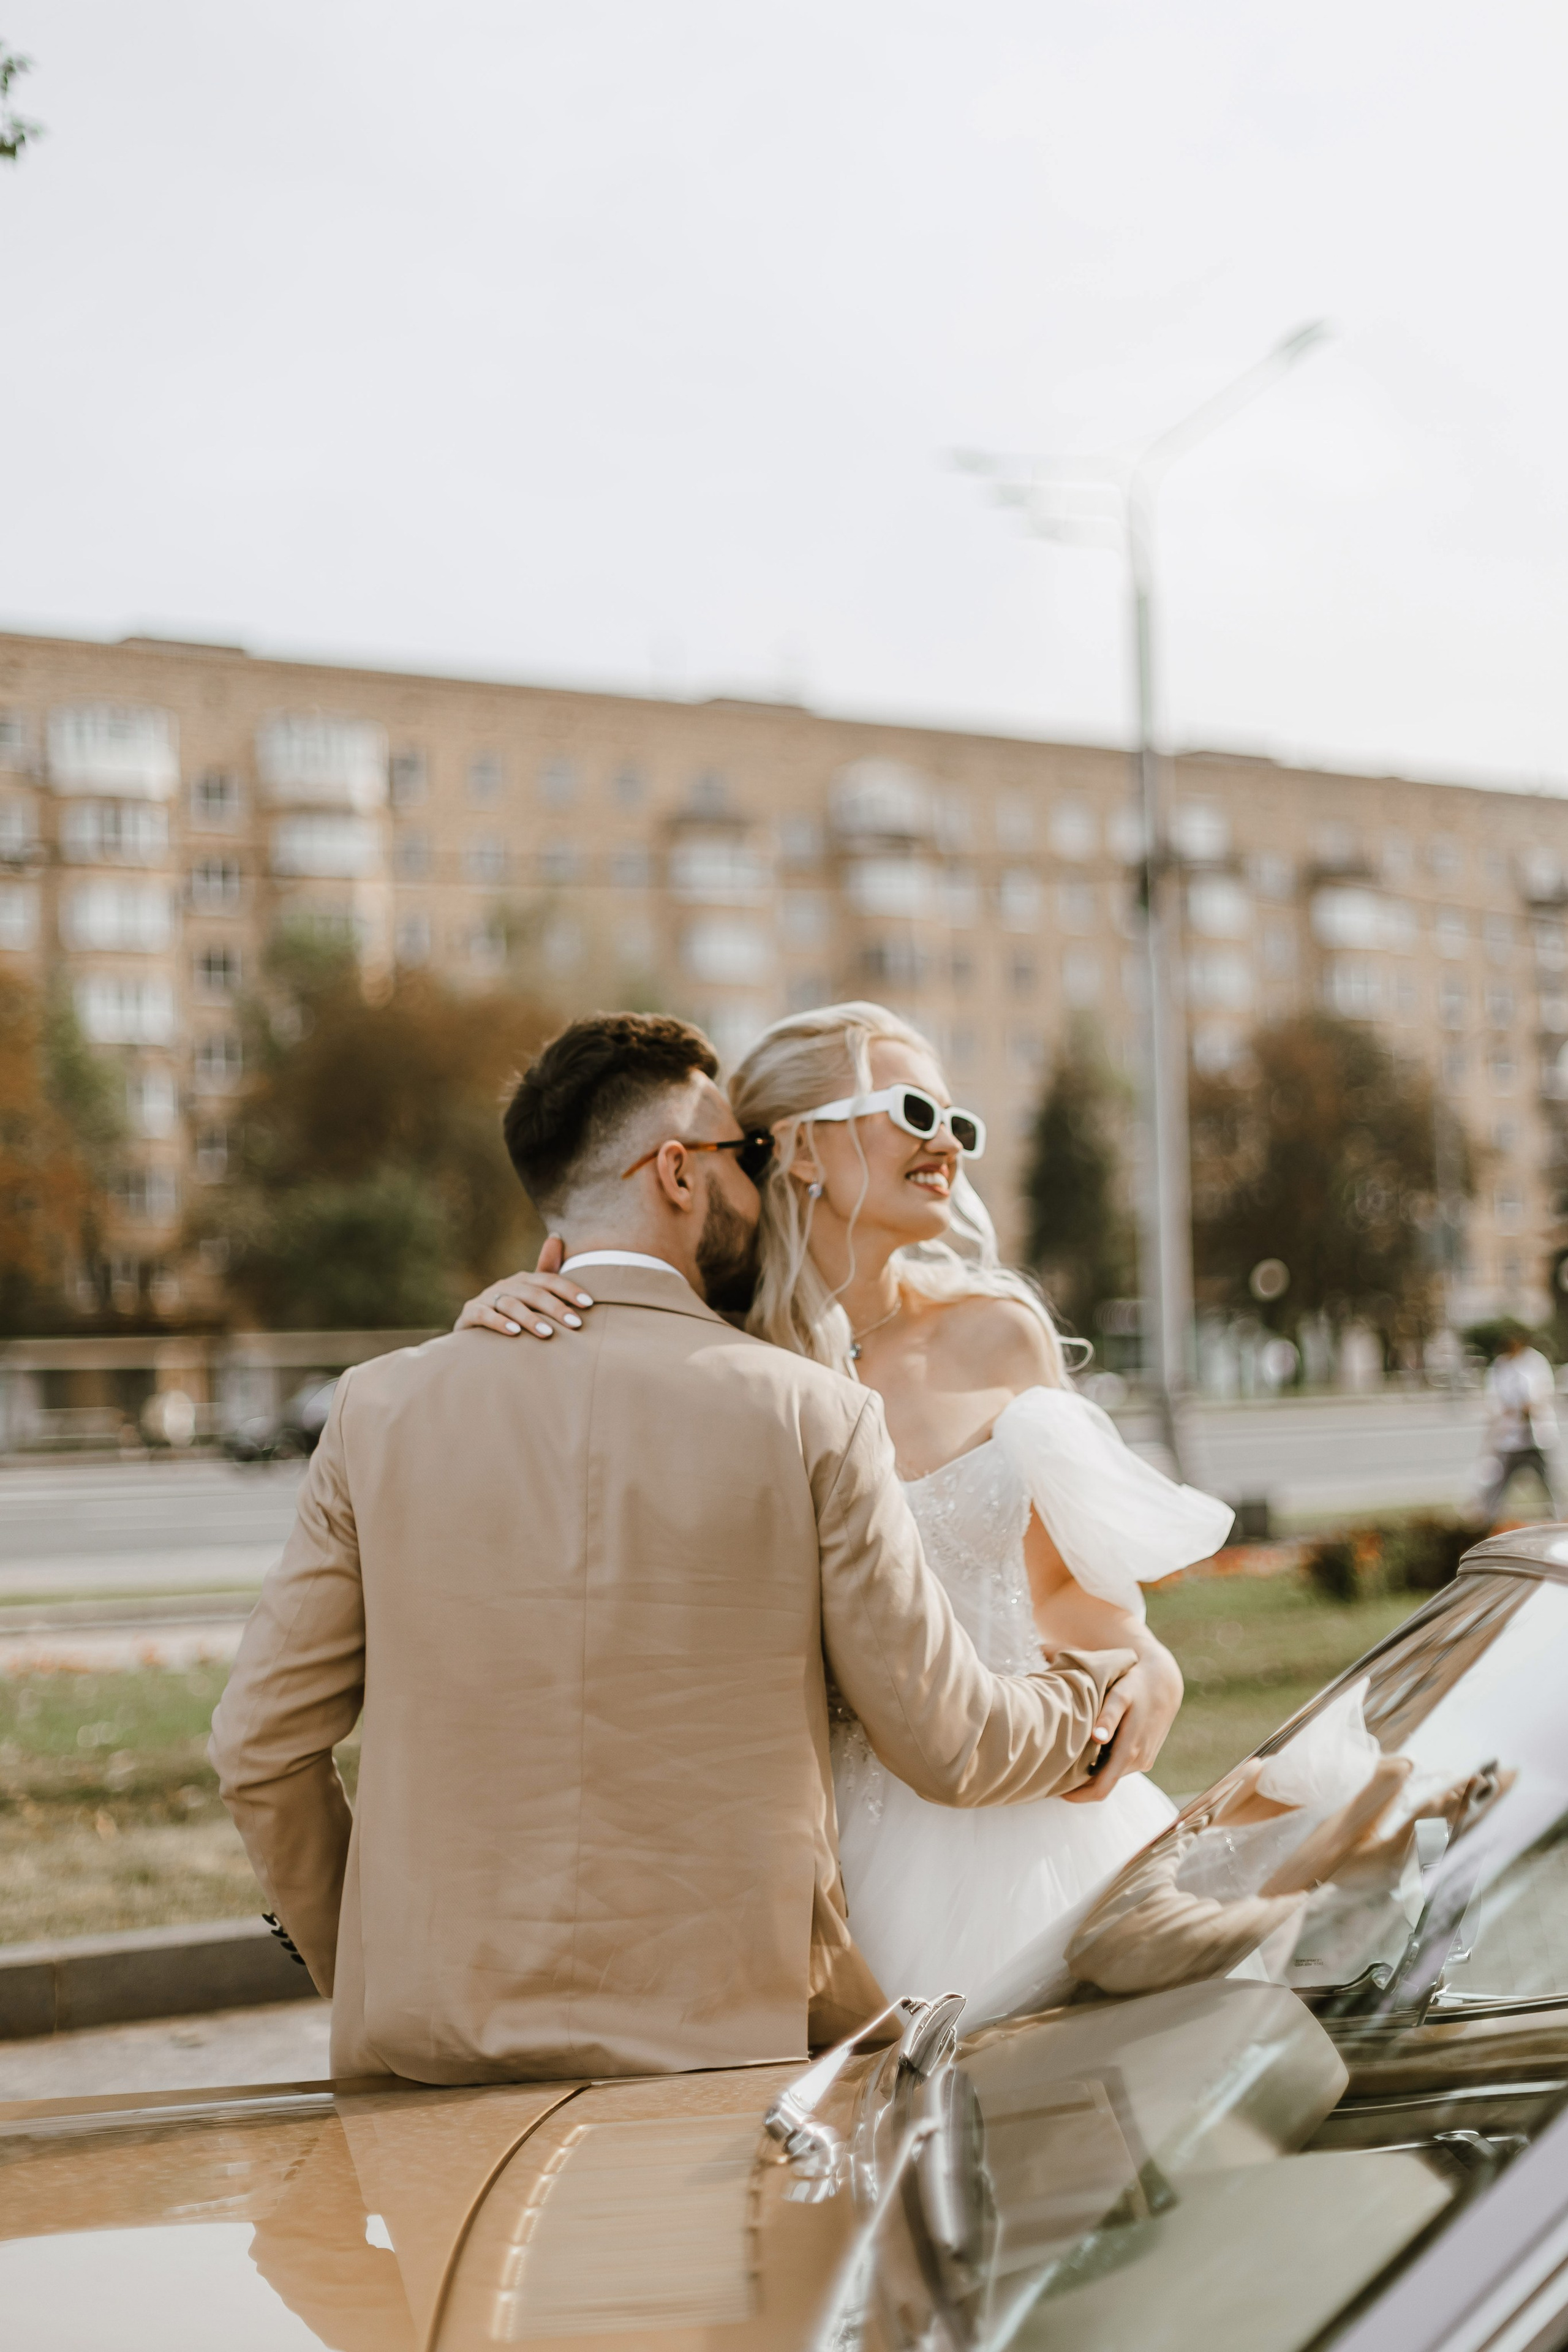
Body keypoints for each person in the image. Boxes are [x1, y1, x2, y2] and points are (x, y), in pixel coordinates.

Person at [210, 1012, 1141, 2086]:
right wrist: (1095, 1697)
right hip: (725, 2046)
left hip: (428, 2042)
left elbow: (258, 1749)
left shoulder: (380, 1406)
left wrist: (371, 1975)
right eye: (742, 1156)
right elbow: (947, 1740)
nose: (761, 1181)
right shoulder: (811, 1411)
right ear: (678, 1174)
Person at [460, 1001, 1231, 2005]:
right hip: (830, 1871)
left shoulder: (998, 1334)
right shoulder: (719, 1355)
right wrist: (493, 1313)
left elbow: (1072, 1600)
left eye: (961, 1121)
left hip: (1047, 1819)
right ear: (803, 1147)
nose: (947, 1141)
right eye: (914, 1109)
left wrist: (1148, 1669)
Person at [1475, 1323, 1560, 1526]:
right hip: (1510, 1437)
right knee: (1498, 1484)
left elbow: (1544, 1391)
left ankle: (1559, 1518)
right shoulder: (1499, 1366)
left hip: (1536, 1436)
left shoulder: (1535, 1361)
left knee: (1550, 1483)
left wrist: (1530, 1407)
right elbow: (1493, 1400)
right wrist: (1510, 1411)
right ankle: (1487, 1521)